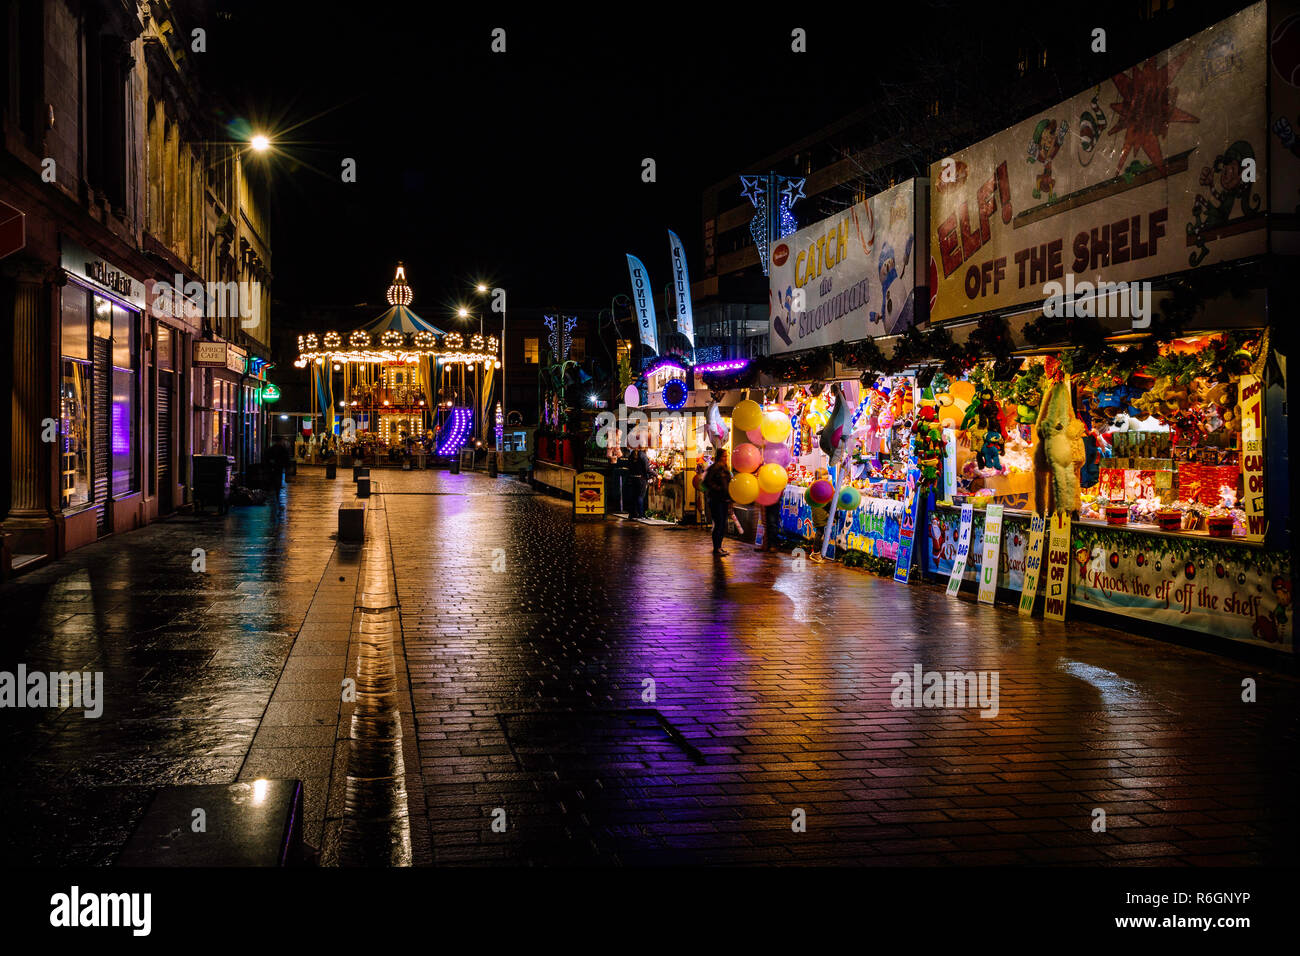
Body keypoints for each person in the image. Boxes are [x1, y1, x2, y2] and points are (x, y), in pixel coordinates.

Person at [702, 450, 733, 556]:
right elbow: (706, 482)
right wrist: (718, 489)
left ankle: (719, 546)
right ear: (719, 457)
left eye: (726, 456)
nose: (726, 458)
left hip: (723, 499)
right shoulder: (714, 468)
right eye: (724, 456)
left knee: (722, 524)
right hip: (716, 499)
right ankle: (716, 547)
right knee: (719, 523)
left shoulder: (725, 468)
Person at [627, 447, 649, 519]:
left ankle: (632, 514)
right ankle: (641, 514)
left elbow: (629, 467)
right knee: (640, 496)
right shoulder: (643, 455)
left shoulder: (631, 455)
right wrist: (655, 474)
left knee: (633, 497)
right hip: (641, 479)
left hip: (632, 478)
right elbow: (647, 469)